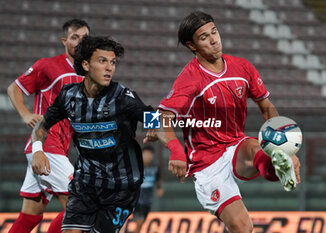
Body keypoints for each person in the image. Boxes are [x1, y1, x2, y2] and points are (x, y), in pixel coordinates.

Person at [144, 11, 301, 233]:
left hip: (236, 145)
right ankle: (274, 166)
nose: (214, 40)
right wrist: (176, 150)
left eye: (214, 32)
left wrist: (285, 148)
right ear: (192, 46)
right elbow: (157, 117)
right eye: (204, 37)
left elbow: (267, 108)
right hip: (207, 162)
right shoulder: (189, 79)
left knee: (257, 147)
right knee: (242, 227)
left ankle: (276, 166)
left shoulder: (242, 67)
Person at [31, 35, 153, 233]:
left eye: (113, 62)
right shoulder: (68, 96)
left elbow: (155, 119)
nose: (109, 68)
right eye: (102, 61)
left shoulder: (122, 98)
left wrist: (169, 138)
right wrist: (37, 149)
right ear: (86, 65)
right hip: (85, 184)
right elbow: (41, 126)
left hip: (120, 189)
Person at [7, 19, 90, 233]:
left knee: (30, 216)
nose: (81, 42)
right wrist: (26, 115)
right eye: (75, 37)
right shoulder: (48, 65)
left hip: (58, 148)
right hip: (44, 145)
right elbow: (13, 89)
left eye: (85, 38)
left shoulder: (89, 74)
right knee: (79, 205)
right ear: (64, 41)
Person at [130, 146, 163, 233]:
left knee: (141, 223)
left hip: (147, 200)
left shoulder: (155, 168)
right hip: (136, 200)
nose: (148, 156)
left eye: (150, 154)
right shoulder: (136, 167)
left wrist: (159, 188)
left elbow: (157, 180)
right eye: (146, 154)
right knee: (139, 221)